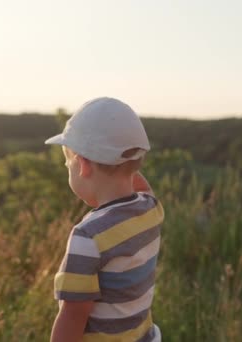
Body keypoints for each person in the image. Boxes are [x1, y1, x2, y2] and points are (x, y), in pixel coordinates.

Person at [45, 97, 164, 342]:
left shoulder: (88, 236)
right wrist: (123, 161)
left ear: (83, 166)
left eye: (67, 162)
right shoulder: (150, 209)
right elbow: (140, 184)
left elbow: (73, 315)